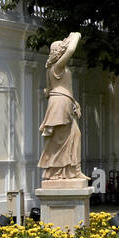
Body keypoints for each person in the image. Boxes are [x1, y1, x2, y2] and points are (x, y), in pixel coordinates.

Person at [38, 32, 85, 182]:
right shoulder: (57, 67)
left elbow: (57, 89)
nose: (65, 52)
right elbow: (71, 50)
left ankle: (73, 170)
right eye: (62, 50)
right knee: (61, 140)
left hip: (63, 102)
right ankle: (59, 171)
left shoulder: (54, 68)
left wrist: (73, 102)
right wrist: (76, 35)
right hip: (59, 105)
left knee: (74, 136)